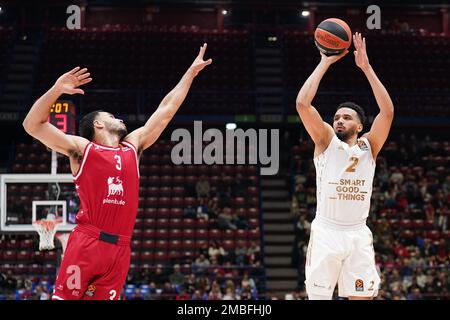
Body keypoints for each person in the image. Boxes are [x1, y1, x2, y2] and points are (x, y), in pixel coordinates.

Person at [22, 44, 212, 300]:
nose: (119, 118)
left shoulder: (133, 146)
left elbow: (165, 110)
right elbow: (32, 124)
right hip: (88, 242)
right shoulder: (81, 149)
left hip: (121, 247)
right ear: (98, 123)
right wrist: (57, 90)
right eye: (112, 116)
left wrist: (190, 74)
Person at [295, 33, 394, 300]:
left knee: (362, 297)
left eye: (346, 117)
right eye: (337, 117)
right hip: (327, 231)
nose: (339, 120)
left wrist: (366, 68)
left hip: (357, 233)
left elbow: (387, 113)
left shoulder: (369, 146)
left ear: (360, 126)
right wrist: (324, 62)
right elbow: (303, 104)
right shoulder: (326, 140)